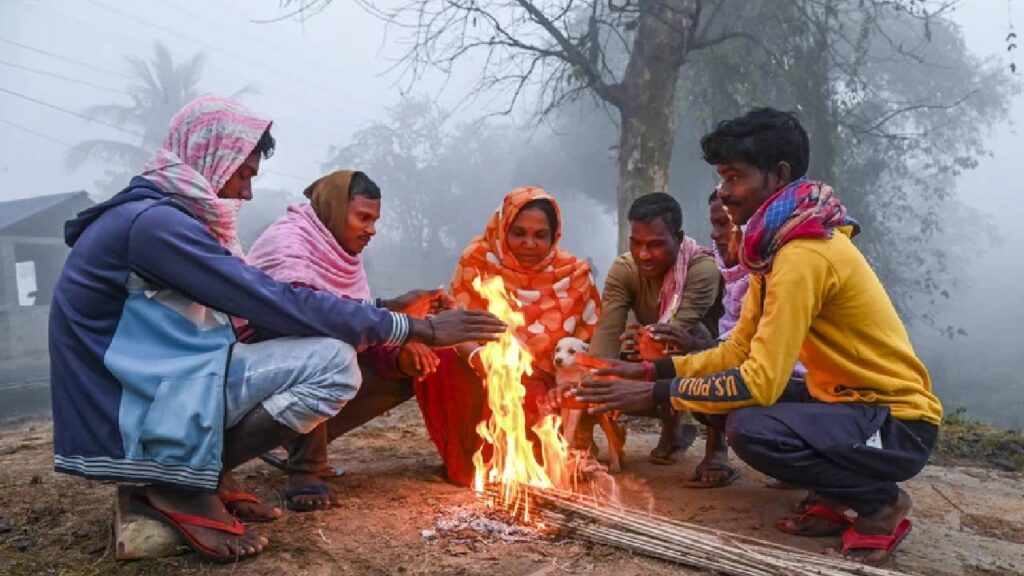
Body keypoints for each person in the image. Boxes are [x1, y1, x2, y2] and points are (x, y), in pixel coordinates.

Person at [48, 96, 505, 562]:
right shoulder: (153, 225)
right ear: (210, 159)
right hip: (127, 399)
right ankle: (180, 487)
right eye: (243, 175)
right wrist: (416, 328)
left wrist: (387, 311)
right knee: (332, 361)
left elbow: (278, 305)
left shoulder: (165, 217)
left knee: (335, 350)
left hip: (167, 374)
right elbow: (273, 303)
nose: (247, 194)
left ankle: (202, 472)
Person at [575, 108, 942, 565]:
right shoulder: (776, 247)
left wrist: (655, 391)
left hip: (897, 424)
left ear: (778, 175)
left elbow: (760, 381)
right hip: (846, 404)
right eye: (722, 179)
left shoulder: (804, 255)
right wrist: (652, 367)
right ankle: (835, 499)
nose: (724, 193)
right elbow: (735, 349)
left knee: (752, 428)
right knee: (742, 409)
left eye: (733, 177)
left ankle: (879, 504)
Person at [242, 169, 447, 512]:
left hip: (312, 355)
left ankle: (295, 440)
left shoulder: (340, 251)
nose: (371, 230)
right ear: (335, 208)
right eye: (363, 217)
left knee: (411, 363)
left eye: (375, 220)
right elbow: (307, 317)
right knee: (322, 346)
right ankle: (304, 469)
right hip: (255, 365)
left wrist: (400, 347)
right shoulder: (288, 241)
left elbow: (350, 316)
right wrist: (396, 320)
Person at [415, 187, 602, 485]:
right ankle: (468, 464)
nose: (529, 243)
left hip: (548, 378)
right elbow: (455, 325)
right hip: (479, 365)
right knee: (439, 358)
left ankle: (539, 459)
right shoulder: (477, 260)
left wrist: (565, 385)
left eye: (540, 235)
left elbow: (591, 345)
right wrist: (481, 360)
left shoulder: (575, 274)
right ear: (503, 229)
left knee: (535, 406)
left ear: (554, 236)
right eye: (519, 233)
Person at [588, 193, 730, 485]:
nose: (643, 254)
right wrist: (595, 379)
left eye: (655, 244)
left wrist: (644, 344)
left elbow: (677, 331)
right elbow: (607, 333)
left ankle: (717, 445)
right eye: (636, 243)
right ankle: (673, 426)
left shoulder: (702, 268)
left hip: (710, 354)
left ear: (678, 238)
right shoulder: (624, 270)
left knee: (692, 340)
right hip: (653, 347)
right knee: (601, 368)